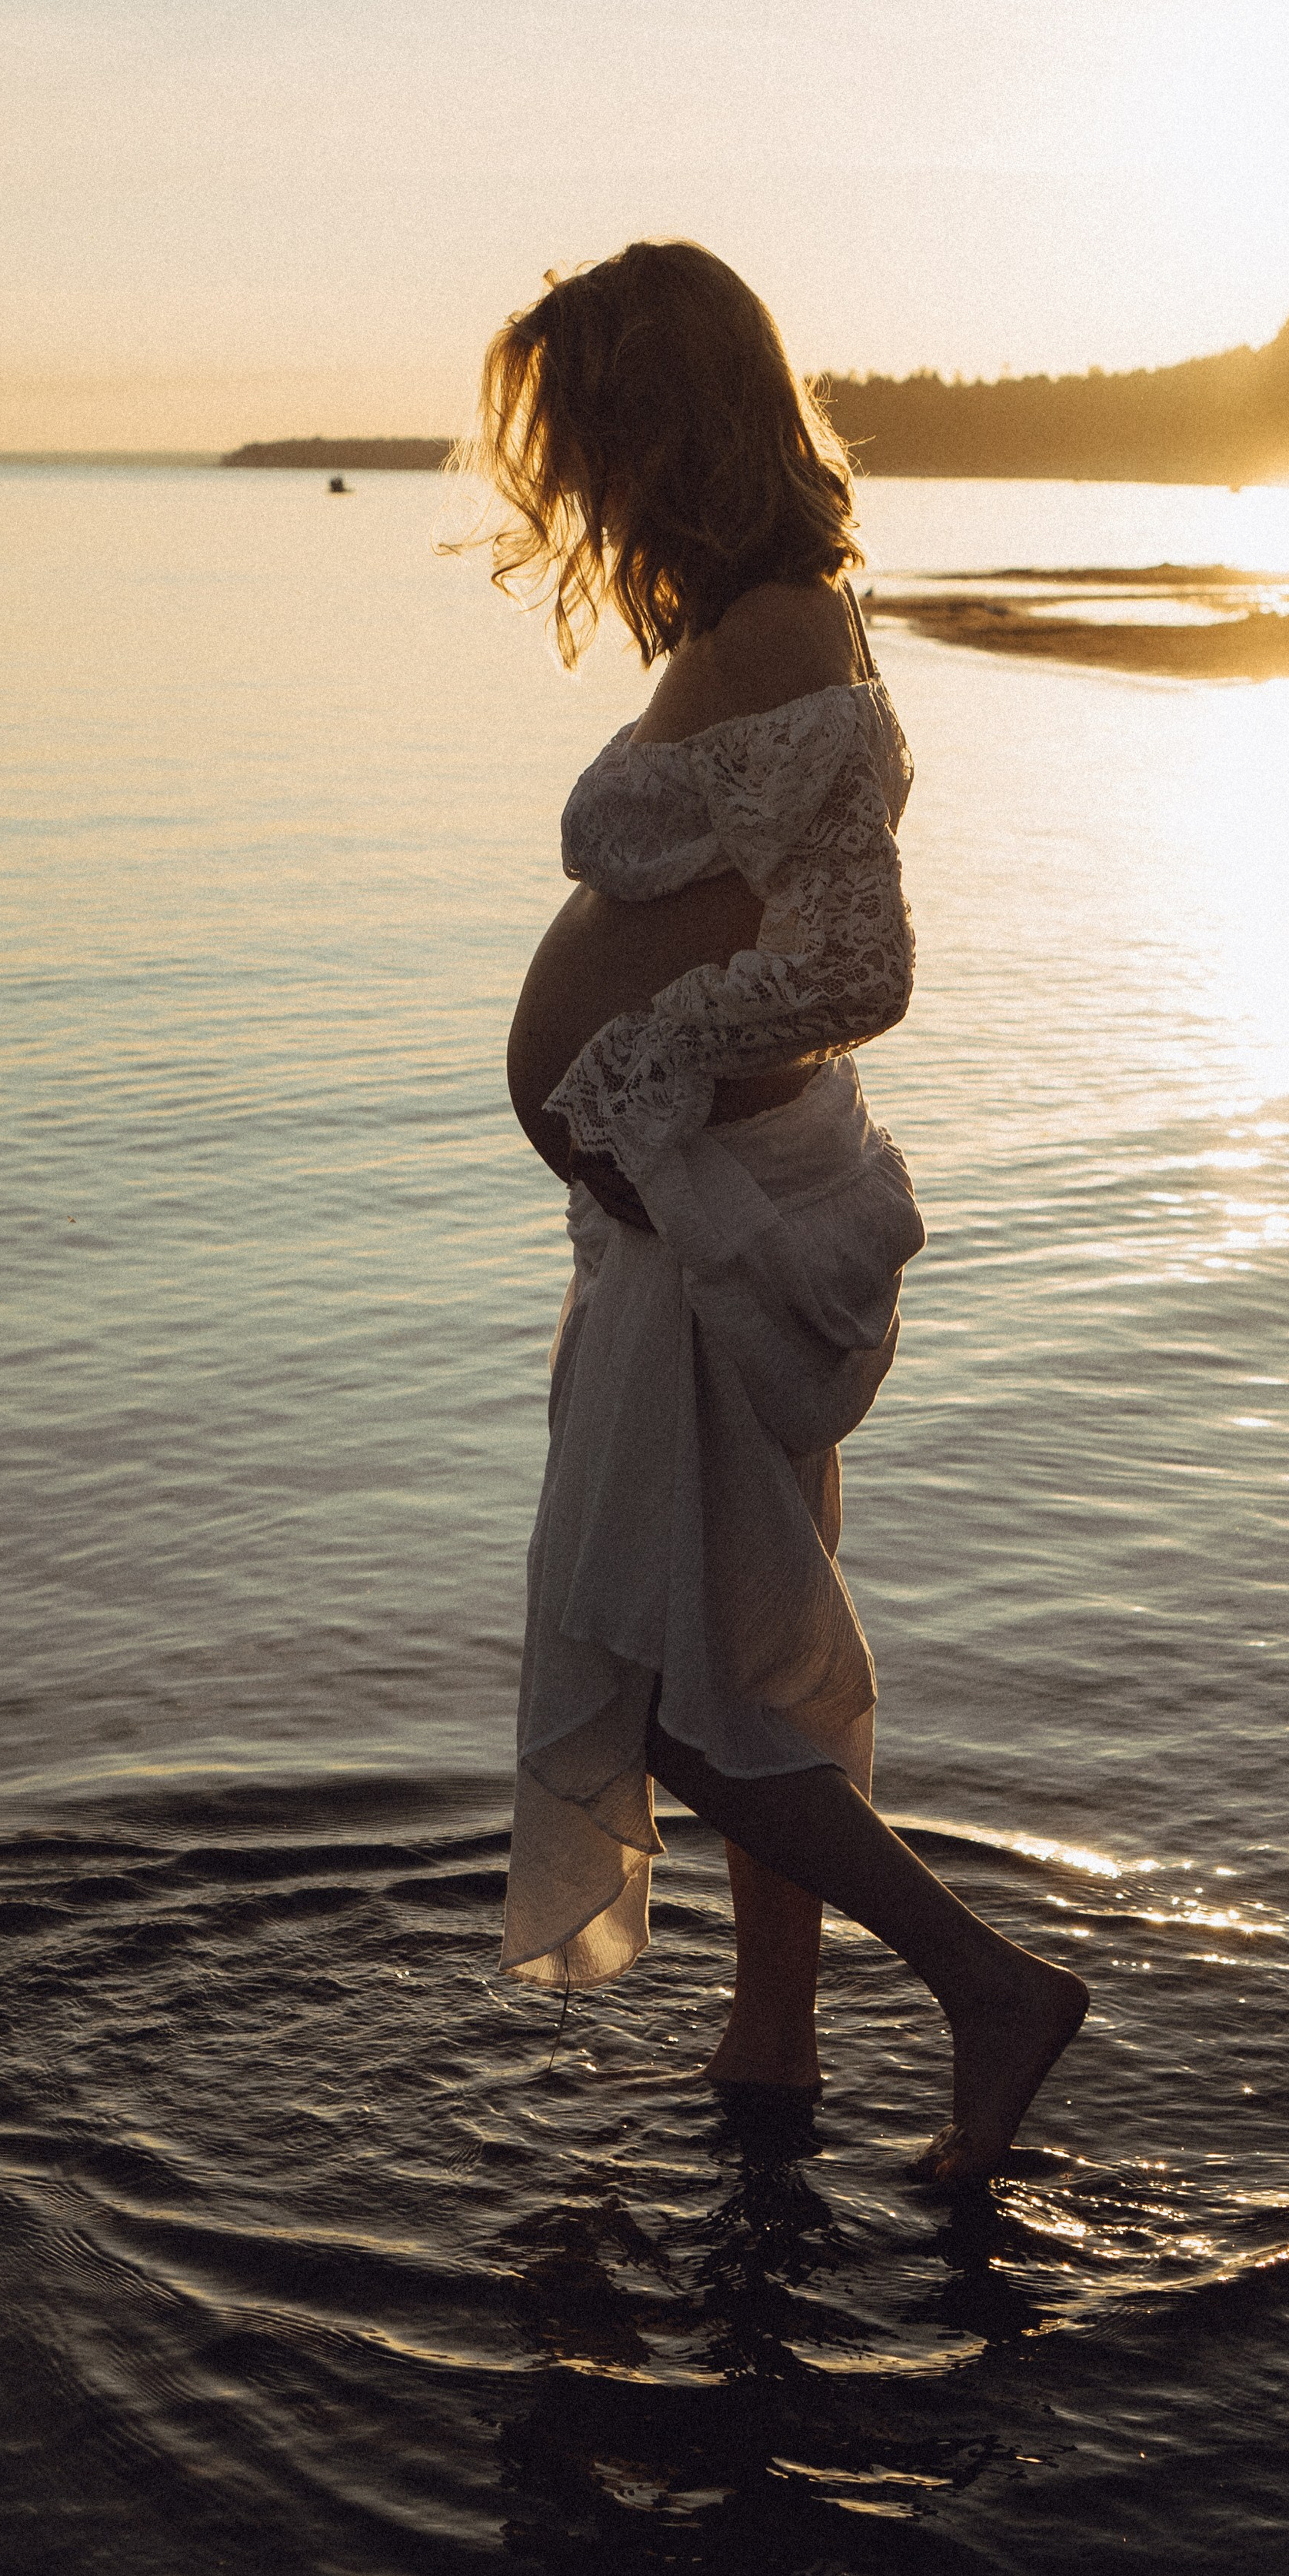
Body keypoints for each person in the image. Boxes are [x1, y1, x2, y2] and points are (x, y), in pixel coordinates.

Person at [463, 239, 1085, 2183]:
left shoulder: (783, 635)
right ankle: (771, 2047)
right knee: (755, 1649)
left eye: (582, 432)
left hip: (711, 1212)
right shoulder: (760, 614)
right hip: (696, 1211)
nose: (565, 477)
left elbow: (849, 961)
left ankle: (986, 1988)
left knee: (661, 1682)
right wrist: (630, 1107)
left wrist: (629, 1081)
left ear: (663, 419)